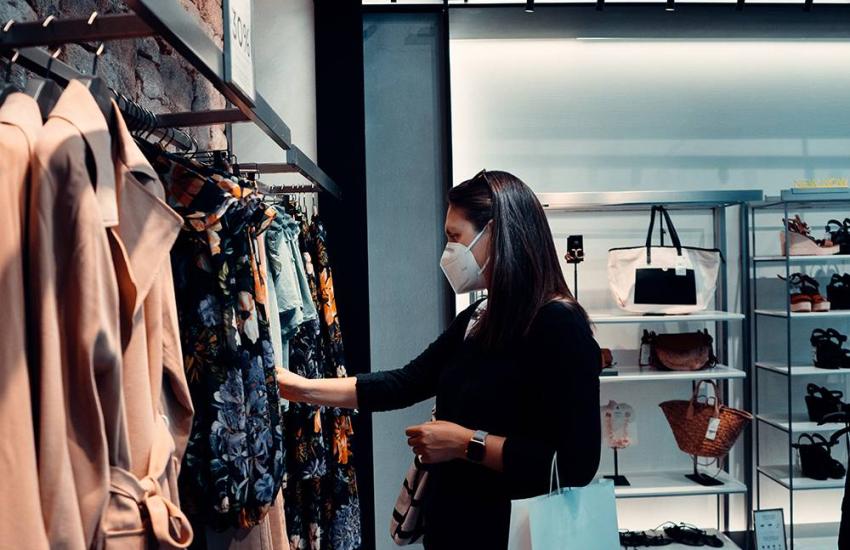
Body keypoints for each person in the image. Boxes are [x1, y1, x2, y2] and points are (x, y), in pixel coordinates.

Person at [277, 170, 602, 549]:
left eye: (455, 237)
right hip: (455, 529)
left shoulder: (558, 324)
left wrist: (465, 443)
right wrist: (301, 388)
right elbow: (405, 382)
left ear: (495, 233)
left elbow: (576, 464)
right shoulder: (480, 317)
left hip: (513, 535)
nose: (448, 251)